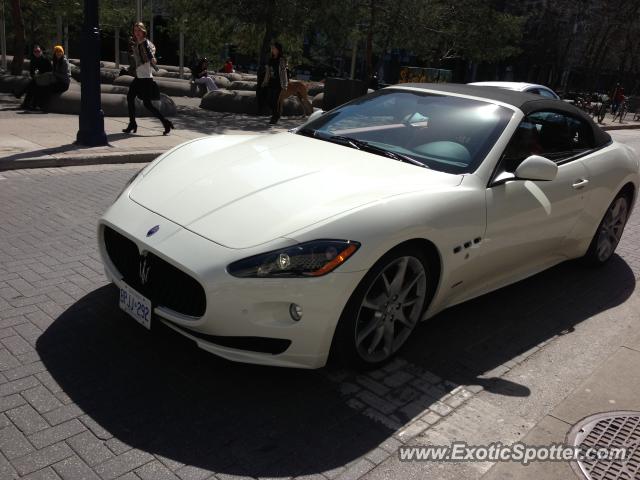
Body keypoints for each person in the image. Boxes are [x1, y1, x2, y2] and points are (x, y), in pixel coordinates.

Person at [123, 22, 173, 135]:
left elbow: (152, 56)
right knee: (130, 97)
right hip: (139, 77)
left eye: (139, 30)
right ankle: (132, 123)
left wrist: (153, 59)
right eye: (135, 30)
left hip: (146, 79)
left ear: (143, 31)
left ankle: (165, 123)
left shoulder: (147, 44)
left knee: (147, 104)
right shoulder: (136, 44)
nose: (137, 33)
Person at [31, 45, 70, 111]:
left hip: (64, 83)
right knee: (41, 86)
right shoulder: (56, 60)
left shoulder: (64, 62)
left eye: (60, 51)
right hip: (57, 80)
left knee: (48, 89)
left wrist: (54, 74)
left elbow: (66, 75)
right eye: (57, 51)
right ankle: (35, 105)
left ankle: (44, 106)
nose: (58, 53)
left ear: (62, 52)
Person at [17, 45, 52, 109]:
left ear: (41, 51)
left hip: (45, 78)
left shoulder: (46, 59)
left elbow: (50, 71)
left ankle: (21, 96)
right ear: (33, 52)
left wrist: (41, 75)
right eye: (35, 51)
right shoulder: (33, 60)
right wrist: (35, 75)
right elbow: (31, 72)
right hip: (38, 78)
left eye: (38, 51)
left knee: (33, 85)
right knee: (32, 86)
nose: (37, 52)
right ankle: (26, 103)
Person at [261, 42, 288, 124]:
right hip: (271, 82)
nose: (272, 50)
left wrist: (285, 85)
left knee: (275, 100)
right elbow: (268, 72)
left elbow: (284, 73)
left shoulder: (281, 60)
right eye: (272, 48)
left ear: (278, 50)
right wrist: (265, 82)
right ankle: (276, 113)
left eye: (274, 48)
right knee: (269, 100)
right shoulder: (270, 60)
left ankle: (274, 117)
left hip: (278, 83)